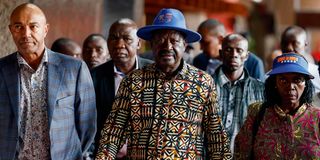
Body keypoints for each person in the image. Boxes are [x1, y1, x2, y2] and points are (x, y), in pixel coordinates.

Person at [96, 8, 231, 159]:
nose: (167, 47)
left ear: (185, 45)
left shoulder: (202, 83)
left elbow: (216, 138)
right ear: (152, 44)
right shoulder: (133, 81)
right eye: (160, 40)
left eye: (174, 41)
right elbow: (113, 133)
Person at [0, 3, 96, 159]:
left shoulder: (74, 69)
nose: (26, 34)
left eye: (33, 26)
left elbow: (87, 127)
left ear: (45, 29)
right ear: (11, 30)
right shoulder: (2, 70)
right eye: (19, 27)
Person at [235, 53, 319, 159]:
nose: (291, 86)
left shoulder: (317, 117)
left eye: (297, 80)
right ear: (275, 83)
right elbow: (241, 153)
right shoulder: (257, 113)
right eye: (283, 80)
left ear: (306, 83)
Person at [90, 18, 153, 159]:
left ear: (138, 43)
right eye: (114, 38)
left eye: (127, 39)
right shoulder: (93, 77)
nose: (119, 45)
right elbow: (90, 123)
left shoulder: (154, 73)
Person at [212, 34, 264, 153]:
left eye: (239, 51)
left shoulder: (260, 90)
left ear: (247, 56)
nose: (234, 55)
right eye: (228, 50)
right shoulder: (206, 86)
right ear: (221, 54)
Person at [193, 19, 265, 81]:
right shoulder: (199, 61)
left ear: (220, 40)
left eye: (206, 43)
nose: (201, 48)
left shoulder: (253, 63)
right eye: (200, 43)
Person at [280, 25, 320, 93]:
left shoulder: (317, 74)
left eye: (295, 43)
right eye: (285, 43)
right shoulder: (272, 76)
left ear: (305, 44)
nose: (289, 47)